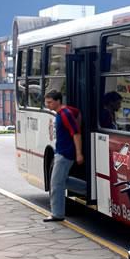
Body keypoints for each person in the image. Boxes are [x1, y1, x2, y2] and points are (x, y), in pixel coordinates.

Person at [43, 90, 84, 222]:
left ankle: (57, 214)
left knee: (55, 184)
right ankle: (88, 189)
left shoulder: (65, 114)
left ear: (57, 101)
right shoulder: (65, 112)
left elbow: (76, 133)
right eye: (46, 102)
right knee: (62, 180)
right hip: (61, 152)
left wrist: (79, 153)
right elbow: (77, 112)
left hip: (65, 154)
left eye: (49, 102)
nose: (47, 105)